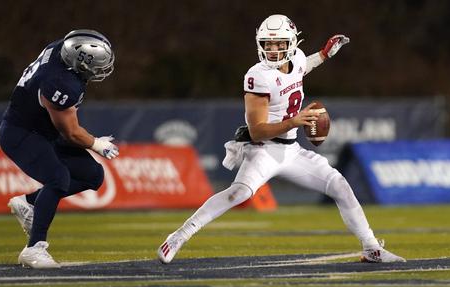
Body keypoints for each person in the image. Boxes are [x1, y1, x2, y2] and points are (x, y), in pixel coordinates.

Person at [157, 15, 405, 264]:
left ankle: (371, 248)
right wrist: (293, 122)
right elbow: (257, 131)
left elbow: (300, 68)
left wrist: (323, 55)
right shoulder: (258, 76)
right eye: (267, 44)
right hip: (264, 150)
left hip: (291, 151)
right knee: (239, 193)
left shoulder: (296, 58)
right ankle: (179, 236)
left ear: (292, 44)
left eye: (279, 44)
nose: (273, 50)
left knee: (339, 185)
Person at [0, 29, 119, 269]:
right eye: (96, 65)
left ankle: (30, 203)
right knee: (58, 178)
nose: (99, 71)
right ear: (81, 61)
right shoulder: (61, 83)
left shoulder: (60, 50)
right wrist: (96, 143)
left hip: (43, 130)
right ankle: (34, 249)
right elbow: (71, 132)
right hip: (22, 133)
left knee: (93, 175)